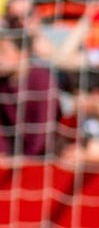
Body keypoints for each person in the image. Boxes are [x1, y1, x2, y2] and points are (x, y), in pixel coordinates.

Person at [0, 25, 57, 160]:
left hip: (40, 161)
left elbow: (42, 136)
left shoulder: (42, 81)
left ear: (23, 53)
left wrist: (24, 160)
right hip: (9, 161)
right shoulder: (2, 83)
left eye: (2, 52)